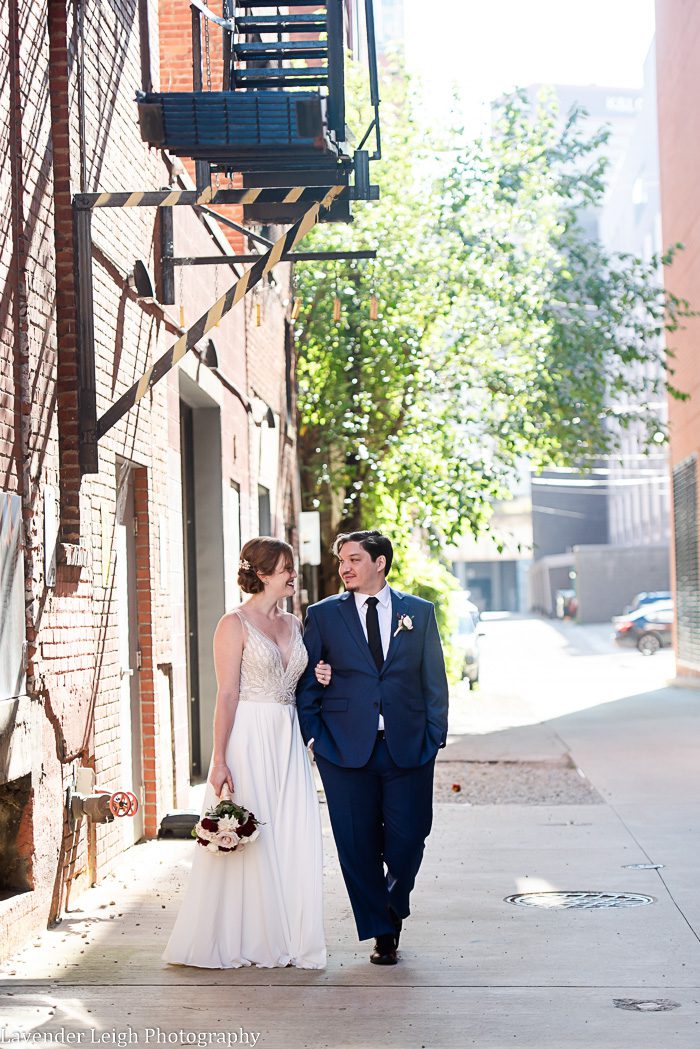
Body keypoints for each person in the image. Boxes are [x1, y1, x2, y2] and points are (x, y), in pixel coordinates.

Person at [163, 536, 327, 969]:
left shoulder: (295, 624)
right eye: (285, 567)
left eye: (292, 566)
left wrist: (321, 674)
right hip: (249, 737)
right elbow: (228, 694)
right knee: (254, 835)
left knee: (291, 831)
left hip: (288, 739)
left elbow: (303, 683)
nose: (293, 574)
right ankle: (250, 938)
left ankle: (290, 935)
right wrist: (219, 759)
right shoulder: (232, 624)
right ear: (261, 573)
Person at [296, 530, 449, 965]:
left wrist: (434, 734)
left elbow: (433, 679)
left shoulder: (418, 612)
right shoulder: (324, 615)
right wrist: (314, 735)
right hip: (342, 749)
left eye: (354, 559)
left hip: (408, 746)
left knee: (409, 838)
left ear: (379, 563)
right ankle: (383, 931)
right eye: (341, 560)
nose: (344, 567)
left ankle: (392, 905)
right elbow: (308, 680)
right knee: (356, 842)